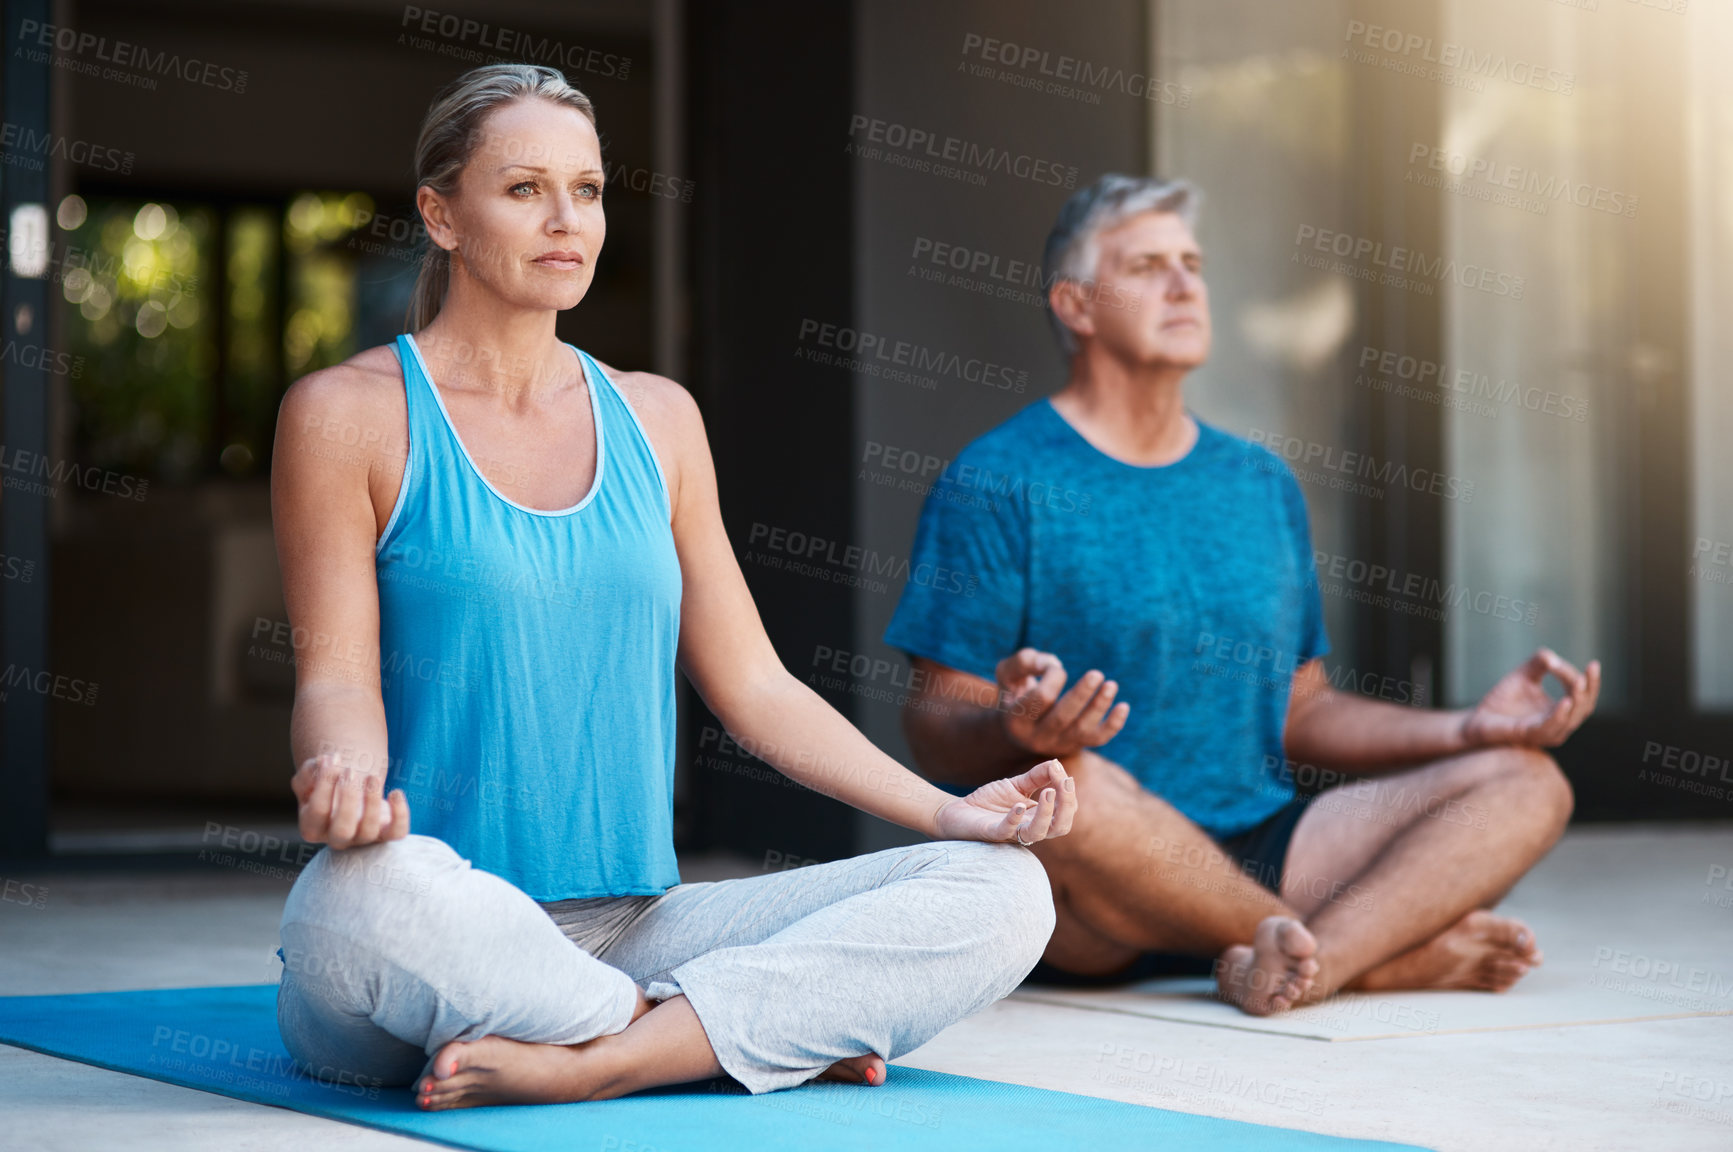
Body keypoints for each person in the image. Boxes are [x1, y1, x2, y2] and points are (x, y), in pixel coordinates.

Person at [270, 63, 1072, 1112]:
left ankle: (606, 1057)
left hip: (634, 931)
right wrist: (342, 773)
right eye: (523, 189)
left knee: (1004, 890)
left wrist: (947, 813)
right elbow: (337, 677)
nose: (568, 220)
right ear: (441, 214)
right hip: (437, 920)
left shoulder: (657, 419)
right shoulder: (346, 414)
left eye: (589, 190)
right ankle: (725, 1031)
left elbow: (755, 688)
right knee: (360, 898)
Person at [884, 173, 1598, 1017]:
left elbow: (1303, 709)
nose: (1185, 283)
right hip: (1092, 870)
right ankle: (1363, 957)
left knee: (1528, 782)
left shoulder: (1257, 482)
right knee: (1061, 786)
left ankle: (1308, 959)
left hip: (1262, 841)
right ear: (1075, 306)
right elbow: (933, 724)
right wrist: (1012, 727)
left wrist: (1469, 728)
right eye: (1148, 265)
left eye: (1192, 263)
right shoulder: (998, 480)